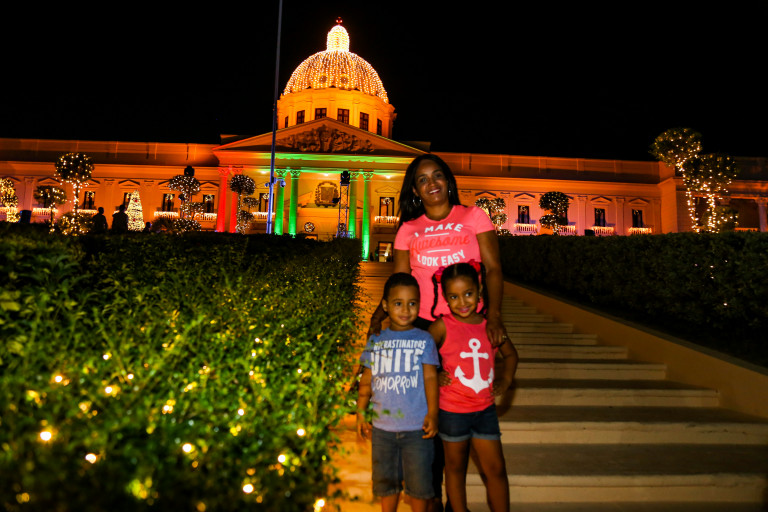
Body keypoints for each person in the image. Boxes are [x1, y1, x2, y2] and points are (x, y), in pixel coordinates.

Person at [369, 153, 511, 511]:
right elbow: (400, 281)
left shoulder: (473, 217)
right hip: (423, 330)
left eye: (437, 175)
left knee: (461, 413)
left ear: (448, 180)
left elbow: (493, 269)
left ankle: (450, 501)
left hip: (468, 327)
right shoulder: (408, 229)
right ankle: (430, 497)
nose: (431, 183)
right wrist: (380, 315)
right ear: (415, 190)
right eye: (422, 179)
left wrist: (494, 316)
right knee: (427, 418)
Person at [428, 262, 518, 512]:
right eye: (453, 297)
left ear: (479, 290)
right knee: (455, 468)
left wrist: (506, 380)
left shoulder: (491, 327)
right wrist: (434, 373)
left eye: (468, 293)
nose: (462, 302)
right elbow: (419, 354)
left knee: (496, 469)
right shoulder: (442, 326)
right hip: (452, 412)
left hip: (485, 411)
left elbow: (511, 355)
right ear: (445, 298)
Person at [357, 272, 440, 512]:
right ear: (385, 306)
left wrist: (433, 413)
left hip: (417, 429)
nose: (405, 310)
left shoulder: (425, 339)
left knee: (420, 486)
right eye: (398, 303)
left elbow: (430, 377)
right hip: (382, 429)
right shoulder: (376, 340)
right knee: (387, 485)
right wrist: (361, 411)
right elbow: (366, 379)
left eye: (412, 303)